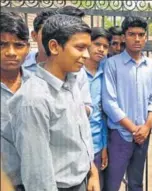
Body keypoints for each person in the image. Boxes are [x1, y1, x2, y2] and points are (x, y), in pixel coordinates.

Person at [6, 14, 99, 191]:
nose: (87, 55)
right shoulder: (33, 100)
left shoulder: (71, 83)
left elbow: (81, 137)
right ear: (55, 47)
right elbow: (38, 176)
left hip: (81, 181)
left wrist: (92, 172)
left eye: (87, 48)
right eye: (80, 48)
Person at [102, 16, 152, 191]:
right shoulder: (112, 64)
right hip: (121, 135)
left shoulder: (150, 65)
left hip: (143, 134)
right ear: (124, 36)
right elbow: (109, 102)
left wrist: (147, 126)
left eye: (141, 34)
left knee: (136, 183)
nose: (137, 39)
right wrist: (134, 129)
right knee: (113, 184)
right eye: (132, 34)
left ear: (145, 37)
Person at [0, 11, 31, 191]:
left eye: (18, 45)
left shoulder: (39, 86)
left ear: (27, 48)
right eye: (2, 44)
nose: (11, 52)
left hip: (34, 181)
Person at [80, 27, 112, 190]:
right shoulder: (75, 73)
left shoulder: (105, 73)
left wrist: (104, 146)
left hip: (97, 146)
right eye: (97, 44)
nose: (101, 49)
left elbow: (102, 114)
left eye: (105, 46)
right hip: (76, 148)